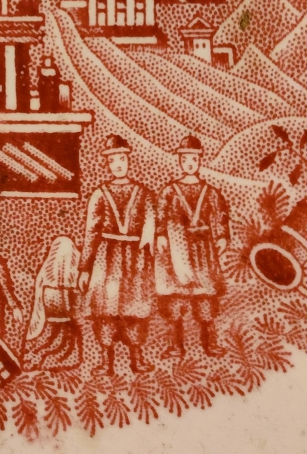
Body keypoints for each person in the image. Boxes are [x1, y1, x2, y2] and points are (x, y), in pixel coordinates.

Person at [79, 135, 155, 373]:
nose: (118, 165)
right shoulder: (99, 195)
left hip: (136, 258)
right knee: (105, 309)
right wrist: (85, 268)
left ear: (129, 160)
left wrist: (149, 242)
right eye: (112, 160)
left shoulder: (143, 193)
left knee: (136, 308)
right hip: (106, 258)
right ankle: (106, 361)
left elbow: (151, 222)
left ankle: (137, 358)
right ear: (107, 164)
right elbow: (91, 232)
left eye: (121, 159)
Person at [155, 135, 230, 357]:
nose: (189, 163)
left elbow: (220, 215)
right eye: (185, 159)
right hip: (176, 248)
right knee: (175, 296)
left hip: (202, 248)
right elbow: (161, 215)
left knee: (205, 294)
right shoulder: (169, 191)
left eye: (194, 159)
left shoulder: (210, 192)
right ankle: (176, 345)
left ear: (200, 161)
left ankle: (209, 343)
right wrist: (161, 235)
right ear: (179, 161)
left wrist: (222, 236)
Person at [26, 236, 81, 369]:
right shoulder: (70, 269)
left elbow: (40, 285)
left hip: (54, 301)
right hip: (59, 303)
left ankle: (43, 355)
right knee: (60, 334)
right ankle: (44, 356)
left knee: (58, 334)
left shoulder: (49, 271)